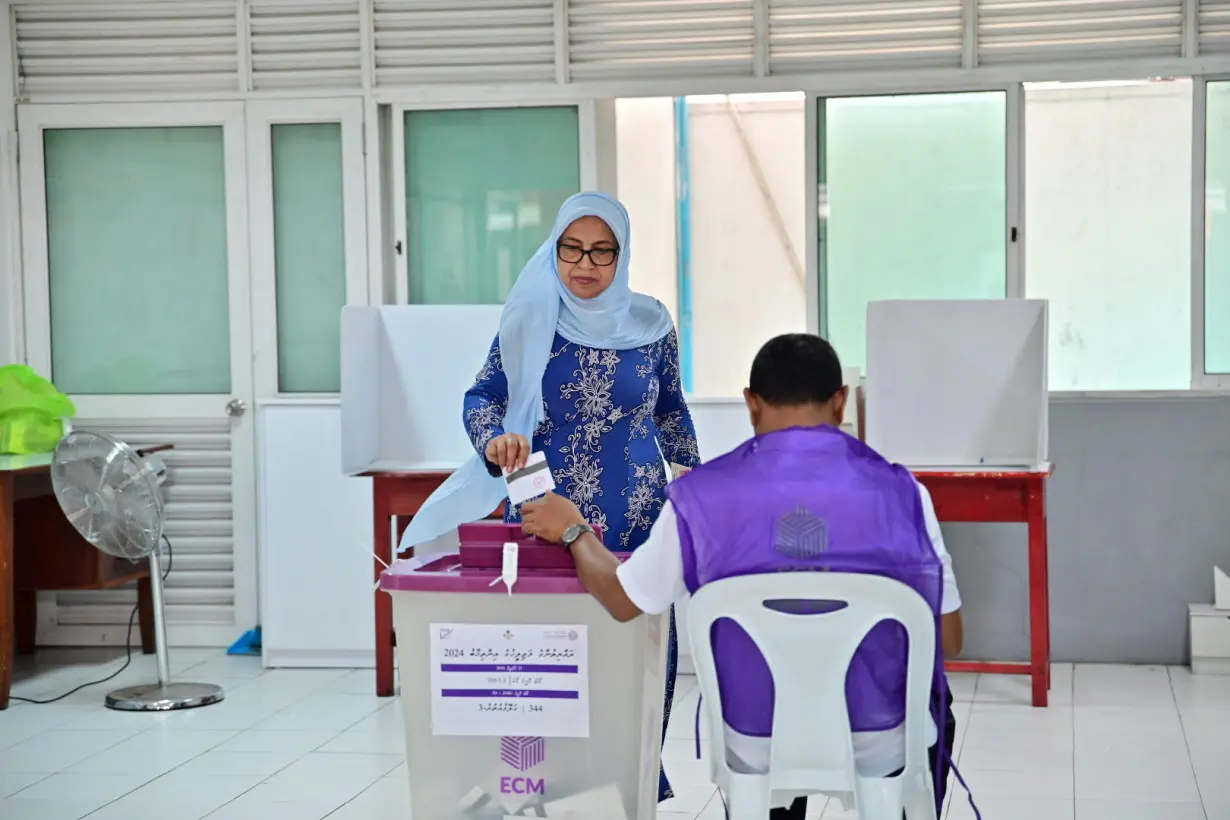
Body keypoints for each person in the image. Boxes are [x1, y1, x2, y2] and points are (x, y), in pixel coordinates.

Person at [520, 333, 963, 820]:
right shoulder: (903, 493)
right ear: (841, 401)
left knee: (766, 747)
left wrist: (574, 530)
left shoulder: (699, 498)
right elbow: (949, 637)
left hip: (756, 740)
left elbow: (623, 600)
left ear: (751, 403)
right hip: (878, 739)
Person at [399, 191, 702, 803]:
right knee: (544, 665)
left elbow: (671, 414)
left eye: (602, 251)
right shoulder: (531, 316)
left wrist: (697, 485)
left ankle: (631, 786)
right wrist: (495, 440)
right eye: (571, 248)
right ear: (554, 250)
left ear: (622, 256)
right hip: (543, 517)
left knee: (635, 660)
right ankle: (538, 792)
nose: (585, 264)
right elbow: (482, 398)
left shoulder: (652, 325)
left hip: (638, 521)